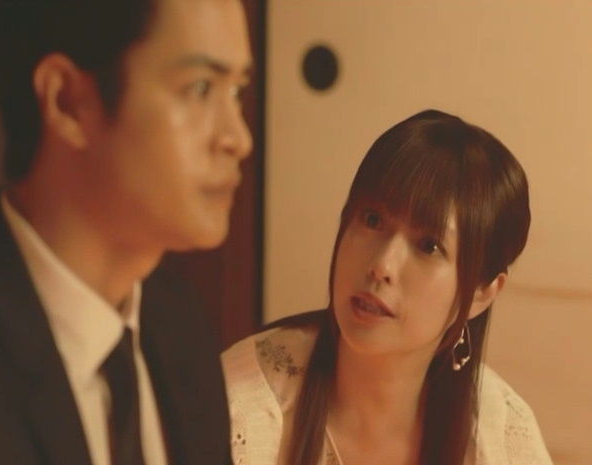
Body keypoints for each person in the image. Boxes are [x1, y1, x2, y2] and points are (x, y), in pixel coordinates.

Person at [0, 0, 252, 464]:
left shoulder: (180, 325)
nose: (238, 138)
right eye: (200, 88)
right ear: (67, 101)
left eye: (237, 91)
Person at [222, 110, 553, 465]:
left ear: (480, 293)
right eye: (372, 220)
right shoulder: (239, 407)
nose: (382, 266)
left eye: (429, 246)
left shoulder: (501, 436)